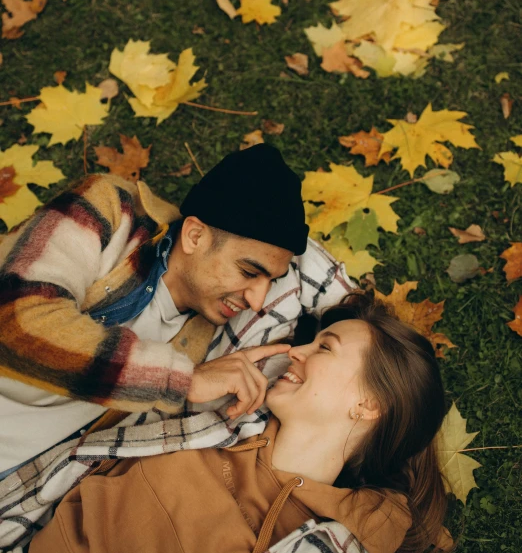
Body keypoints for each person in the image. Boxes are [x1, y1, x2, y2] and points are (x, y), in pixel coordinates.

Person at [0, 295, 451, 553]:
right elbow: (272, 261)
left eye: (324, 348)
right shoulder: (223, 413)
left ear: (368, 404)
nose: (296, 352)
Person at [0, 144, 355, 480]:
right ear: (196, 236)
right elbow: (15, 321)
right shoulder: (112, 210)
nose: (259, 300)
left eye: (270, 281)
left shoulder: (208, 339)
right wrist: (183, 380)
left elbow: (319, 284)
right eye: (249, 272)